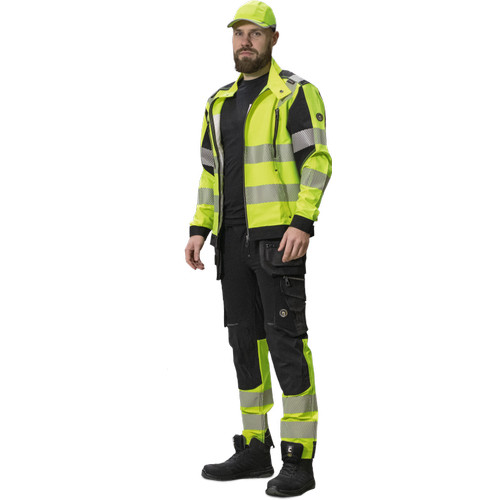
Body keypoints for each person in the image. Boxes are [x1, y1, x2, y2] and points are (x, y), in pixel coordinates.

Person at [184, 1, 332, 496]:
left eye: (255, 33)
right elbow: (210, 174)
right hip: (230, 242)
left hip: (277, 239)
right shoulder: (218, 102)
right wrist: (199, 228)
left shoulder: (295, 93)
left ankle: (298, 459)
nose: (245, 41)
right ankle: (254, 447)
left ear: (273, 39)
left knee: (287, 344)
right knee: (245, 344)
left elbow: (317, 161)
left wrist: (303, 221)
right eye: (238, 34)